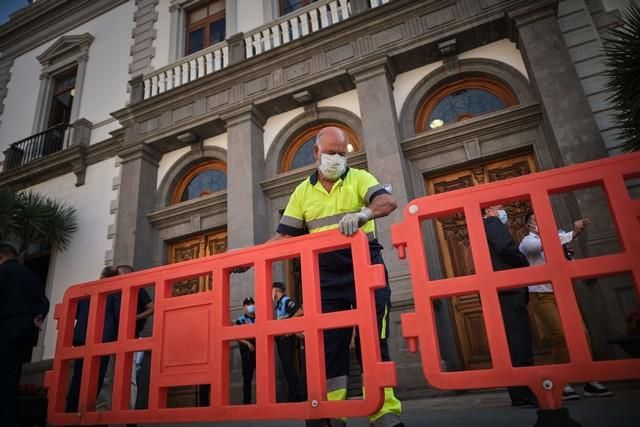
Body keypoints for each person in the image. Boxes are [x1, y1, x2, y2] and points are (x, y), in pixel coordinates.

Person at [271, 126, 403, 427]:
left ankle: (384, 413)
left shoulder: (359, 178)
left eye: (342, 154)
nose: (336, 159)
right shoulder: (302, 192)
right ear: (316, 152)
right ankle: (331, 415)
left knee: (373, 341)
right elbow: (284, 236)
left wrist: (363, 215)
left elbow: (387, 202)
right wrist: (246, 259)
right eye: (331, 153)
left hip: (365, 268)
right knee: (329, 347)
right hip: (325, 277)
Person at [519, 212, 612, 400]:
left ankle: (589, 380)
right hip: (543, 295)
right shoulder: (528, 241)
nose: (541, 221)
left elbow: (568, 261)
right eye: (535, 219)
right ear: (529, 225)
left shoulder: (559, 238)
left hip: (564, 292)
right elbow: (544, 245)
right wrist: (573, 234)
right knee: (560, 334)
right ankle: (564, 381)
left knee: (582, 333)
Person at [482, 205, 537, 407]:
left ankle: (520, 392)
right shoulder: (491, 222)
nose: (504, 211)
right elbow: (504, 247)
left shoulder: (480, 226)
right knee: (518, 341)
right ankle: (524, 392)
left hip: (499, 290)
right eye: (500, 207)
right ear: (489, 210)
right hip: (508, 289)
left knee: (512, 341)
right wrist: (523, 263)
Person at [0, 243, 50, 426]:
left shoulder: (3, 272)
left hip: (4, 329)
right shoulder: (31, 275)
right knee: (11, 379)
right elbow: (44, 302)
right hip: (23, 334)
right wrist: (36, 319)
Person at [96, 265, 153, 412]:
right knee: (107, 376)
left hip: (129, 337)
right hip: (109, 337)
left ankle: (128, 409)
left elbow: (152, 307)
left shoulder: (138, 289)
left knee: (129, 375)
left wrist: (134, 318)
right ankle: (103, 408)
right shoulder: (112, 291)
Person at [66, 265, 118, 413]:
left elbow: (75, 313)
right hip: (103, 339)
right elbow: (118, 315)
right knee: (96, 378)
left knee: (78, 376)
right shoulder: (114, 293)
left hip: (82, 337)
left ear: (102, 276)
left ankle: (71, 411)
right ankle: (86, 412)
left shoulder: (86, 291)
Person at [272, 282, 305, 402]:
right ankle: (293, 393)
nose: (272, 293)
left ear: (277, 290)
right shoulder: (279, 304)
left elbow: (300, 311)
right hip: (281, 339)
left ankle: (295, 395)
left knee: (289, 367)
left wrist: (289, 323)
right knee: (287, 367)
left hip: (287, 339)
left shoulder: (286, 300)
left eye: (273, 290)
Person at [235, 297, 257, 404]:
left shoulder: (259, 318)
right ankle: (246, 403)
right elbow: (236, 336)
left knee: (263, 377)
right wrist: (247, 343)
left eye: (252, 304)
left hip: (260, 352)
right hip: (247, 353)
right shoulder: (240, 320)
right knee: (247, 379)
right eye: (248, 304)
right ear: (244, 307)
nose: (250, 306)